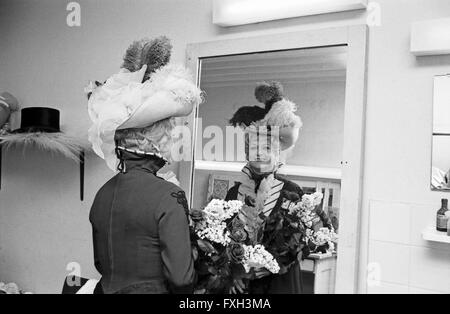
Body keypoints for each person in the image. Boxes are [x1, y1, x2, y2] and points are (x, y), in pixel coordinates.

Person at [86, 36, 202, 294]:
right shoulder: (168, 195)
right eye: (168, 131)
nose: (172, 136)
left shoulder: (102, 194)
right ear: (152, 140)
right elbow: (181, 279)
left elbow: (99, 263)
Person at [225, 82, 331, 294]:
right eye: (254, 147)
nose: (260, 154)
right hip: (244, 287)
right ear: (246, 152)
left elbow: (313, 238)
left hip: (280, 285)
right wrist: (233, 271)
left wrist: (274, 262)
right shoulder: (233, 193)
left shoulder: (293, 191)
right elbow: (222, 239)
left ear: (278, 153)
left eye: (266, 147)